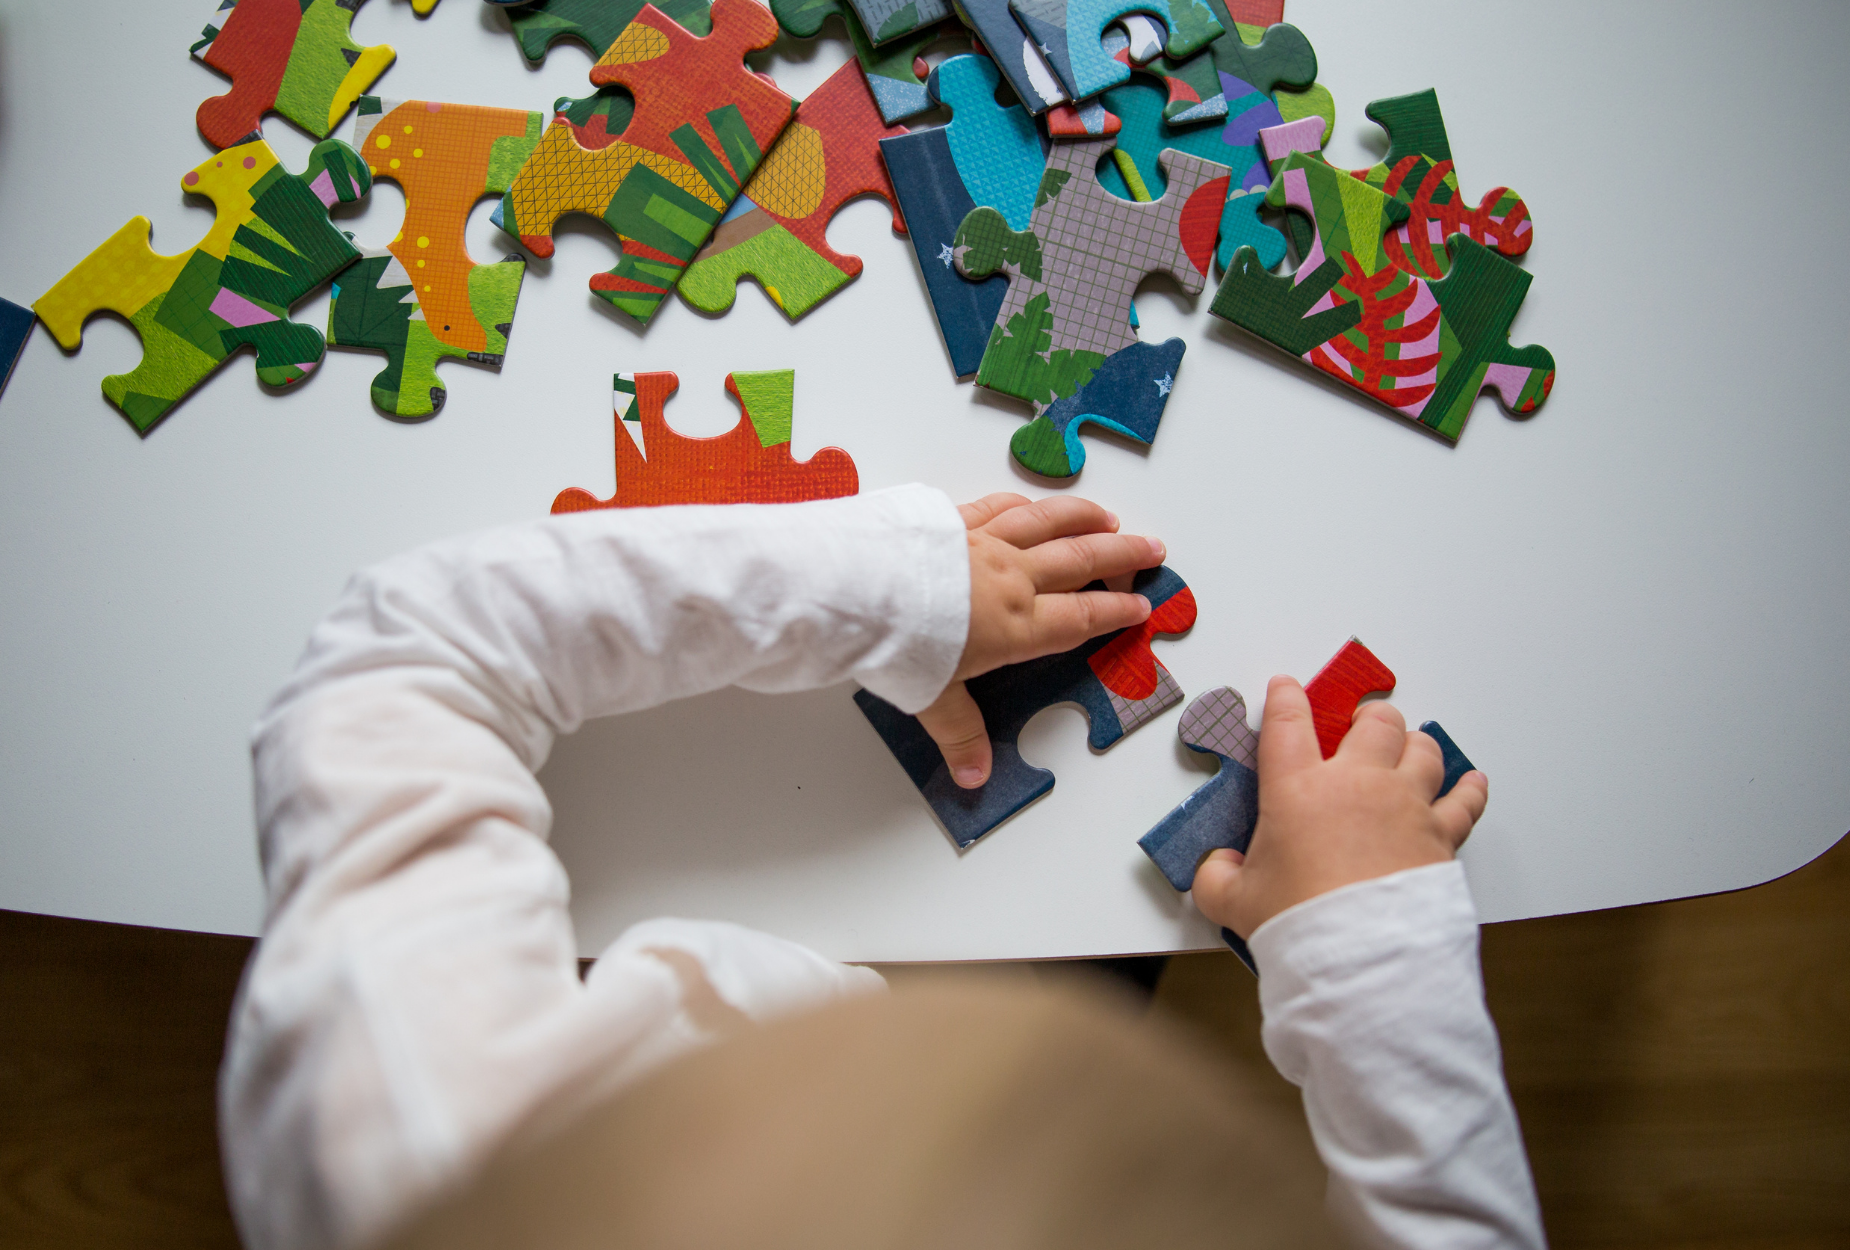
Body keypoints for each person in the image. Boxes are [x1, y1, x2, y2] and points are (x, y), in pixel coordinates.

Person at [218, 487, 1544, 1250]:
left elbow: (395, 660)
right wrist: (1371, 941)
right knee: (1110, 951)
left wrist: (885, 593)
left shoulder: (405, 1148)